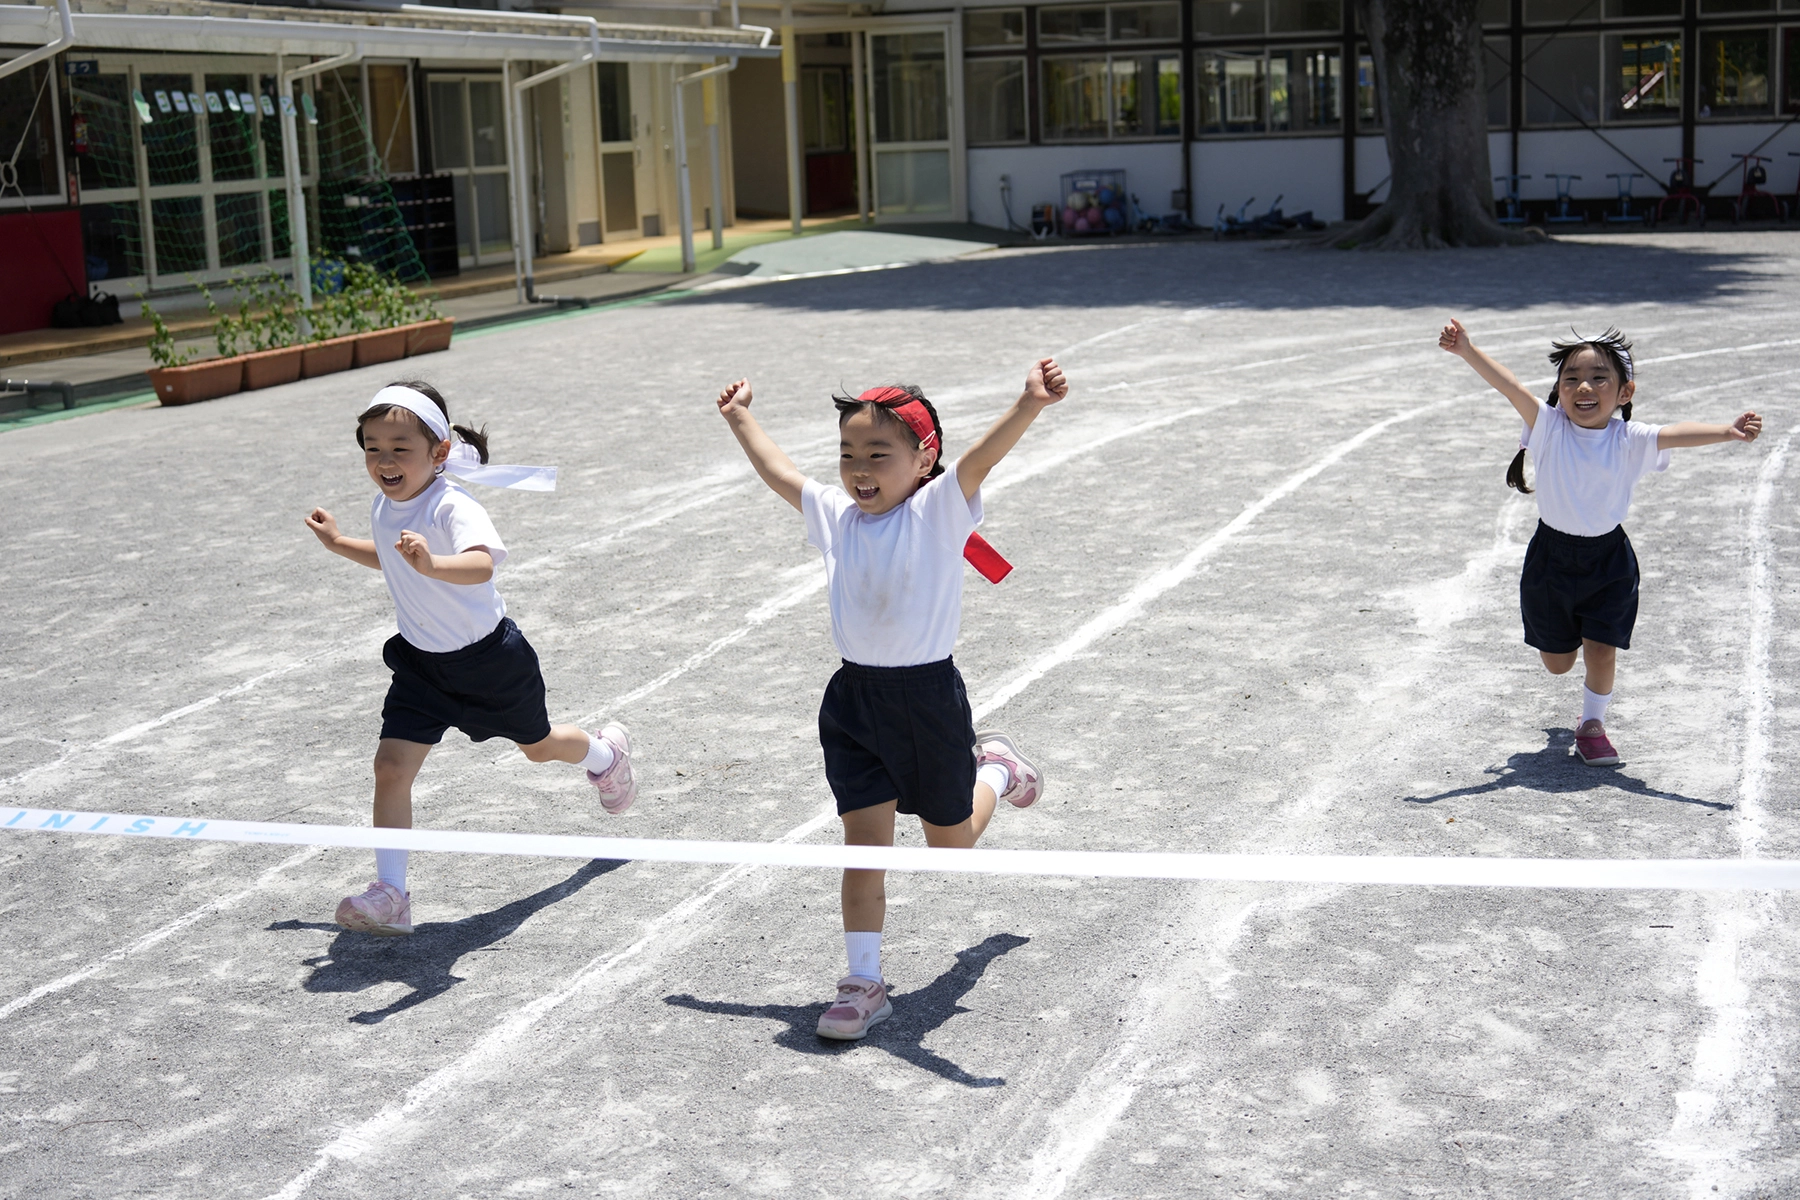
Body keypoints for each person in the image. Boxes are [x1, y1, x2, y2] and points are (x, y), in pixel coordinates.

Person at [716, 361, 1067, 1039]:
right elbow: (781, 473)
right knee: (862, 849)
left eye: (879, 454)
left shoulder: (937, 510)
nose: (859, 468)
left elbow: (979, 460)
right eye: (848, 454)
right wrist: (740, 418)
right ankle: (862, 982)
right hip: (854, 702)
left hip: (928, 699)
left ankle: (995, 766)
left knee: (950, 848)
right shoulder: (839, 518)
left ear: (922, 460)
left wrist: (1029, 403)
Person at [304, 382, 635, 935]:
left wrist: (432, 563)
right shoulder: (385, 507)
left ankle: (604, 756)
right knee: (389, 768)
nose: (384, 460)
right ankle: (392, 893)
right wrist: (340, 543)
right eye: (372, 447)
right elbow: (391, 559)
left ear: (437, 452)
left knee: (540, 747)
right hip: (421, 667)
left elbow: (482, 565)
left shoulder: (452, 503)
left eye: (399, 447)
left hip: (490, 662)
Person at [1438, 320, 1762, 764]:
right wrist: (1468, 351)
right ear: (1558, 389)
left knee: (1602, 648)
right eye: (1570, 378)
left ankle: (1593, 724)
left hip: (1608, 560)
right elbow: (1509, 386)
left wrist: (1727, 431)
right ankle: (1565, 669)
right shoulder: (1549, 427)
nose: (1583, 386)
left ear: (1624, 392)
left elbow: (1676, 432)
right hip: (1550, 558)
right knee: (1558, 663)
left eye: (1598, 378)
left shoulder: (1629, 439)